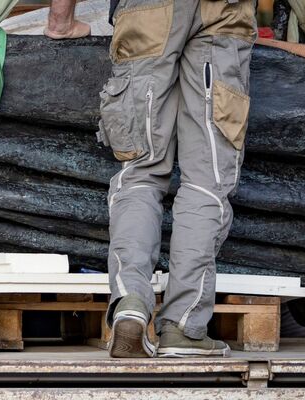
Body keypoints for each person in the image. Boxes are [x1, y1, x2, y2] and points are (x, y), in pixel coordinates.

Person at [98, 1, 256, 357]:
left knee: (140, 172)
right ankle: (184, 327)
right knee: (206, 180)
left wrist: (61, 19)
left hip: (145, 11)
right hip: (223, 14)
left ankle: (132, 303)